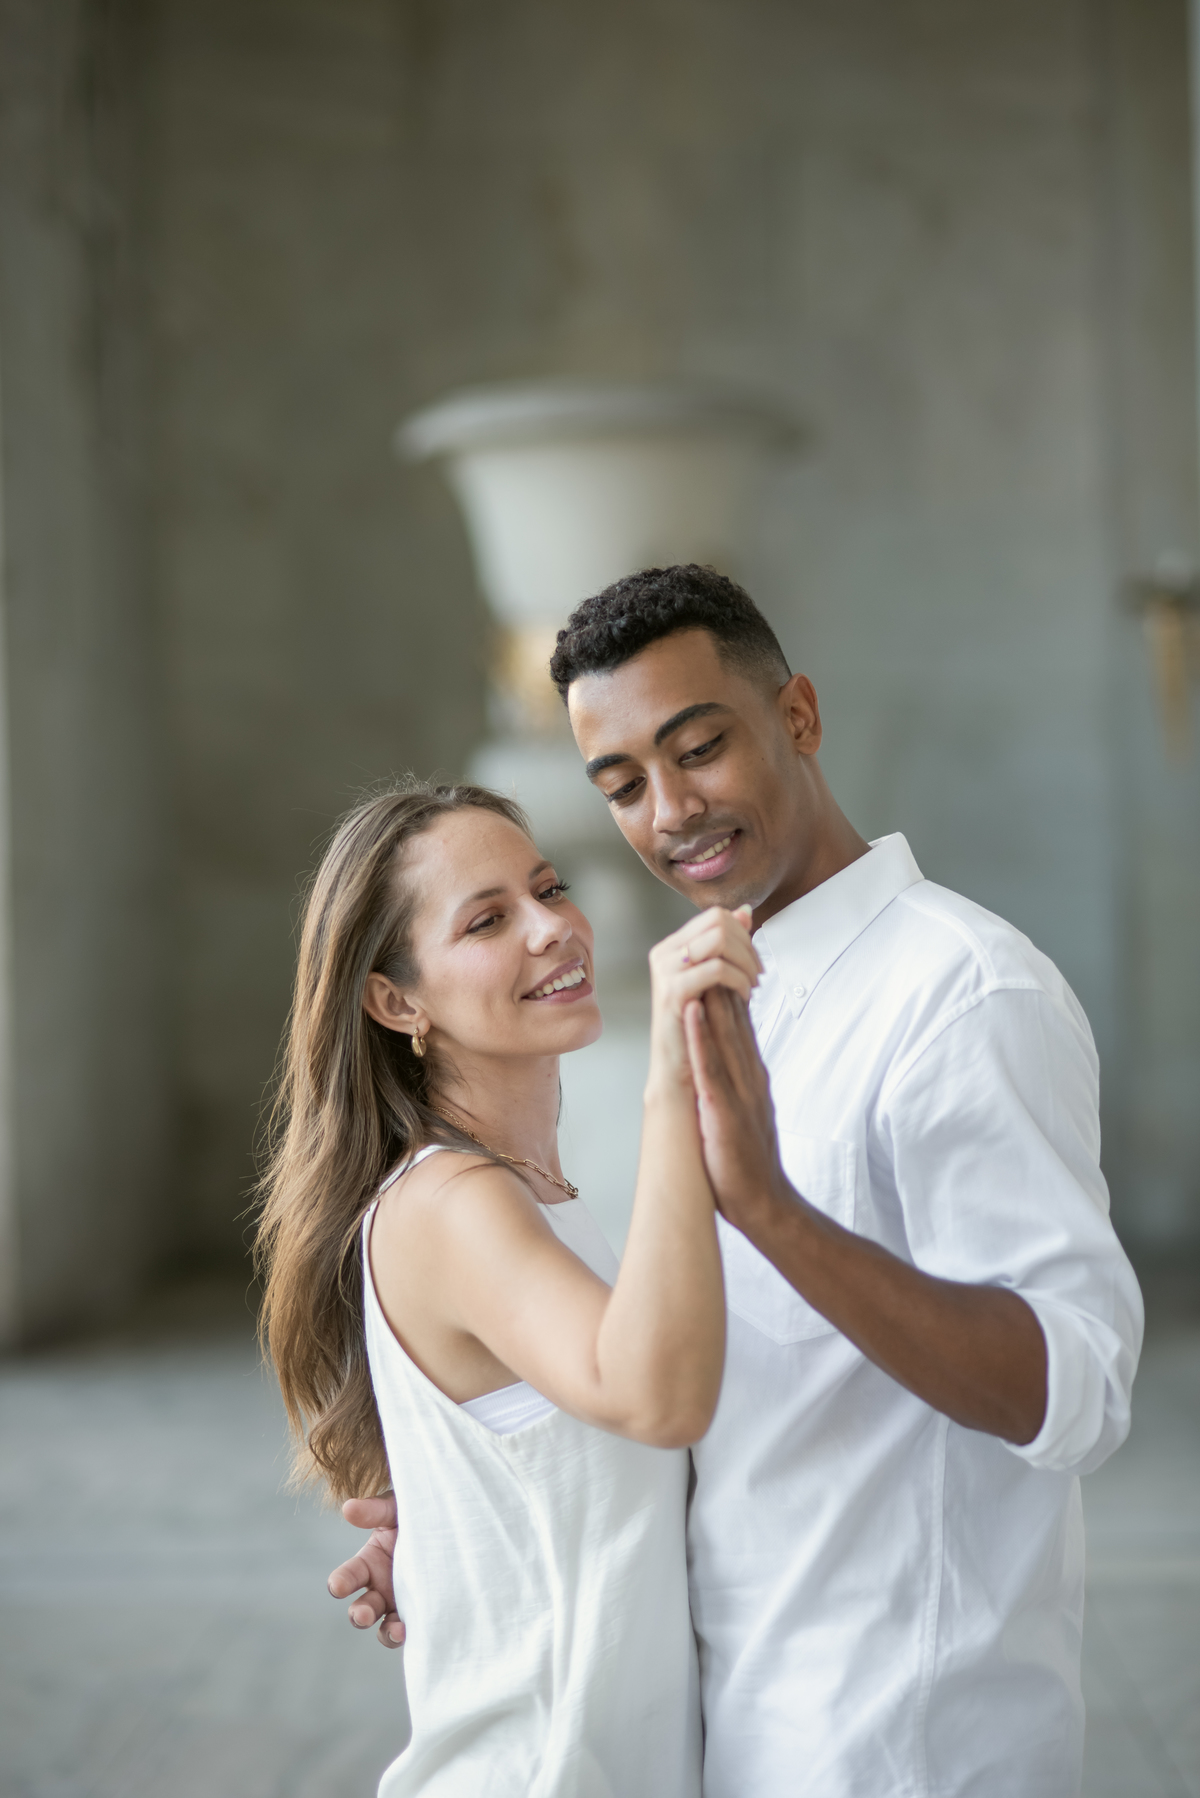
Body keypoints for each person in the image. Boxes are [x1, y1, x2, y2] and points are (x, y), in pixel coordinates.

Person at [331, 567, 1144, 1798]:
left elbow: (1077, 1389)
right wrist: (483, 1528)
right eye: (622, 786)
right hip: (735, 1723)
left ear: (799, 718)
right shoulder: (715, 995)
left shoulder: (964, 993)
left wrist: (773, 1211)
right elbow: (676, 1376)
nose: (670, 811)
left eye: (698, 747)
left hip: (898, 1736)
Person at [257, 777, 759, 1797]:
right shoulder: (451, 1203)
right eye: (488, 919)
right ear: (398, 1001)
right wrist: (675, 1067)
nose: (553, 929)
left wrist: (452, 1530)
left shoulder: (526, 1199)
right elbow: (655, 1395)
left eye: (549, 887)